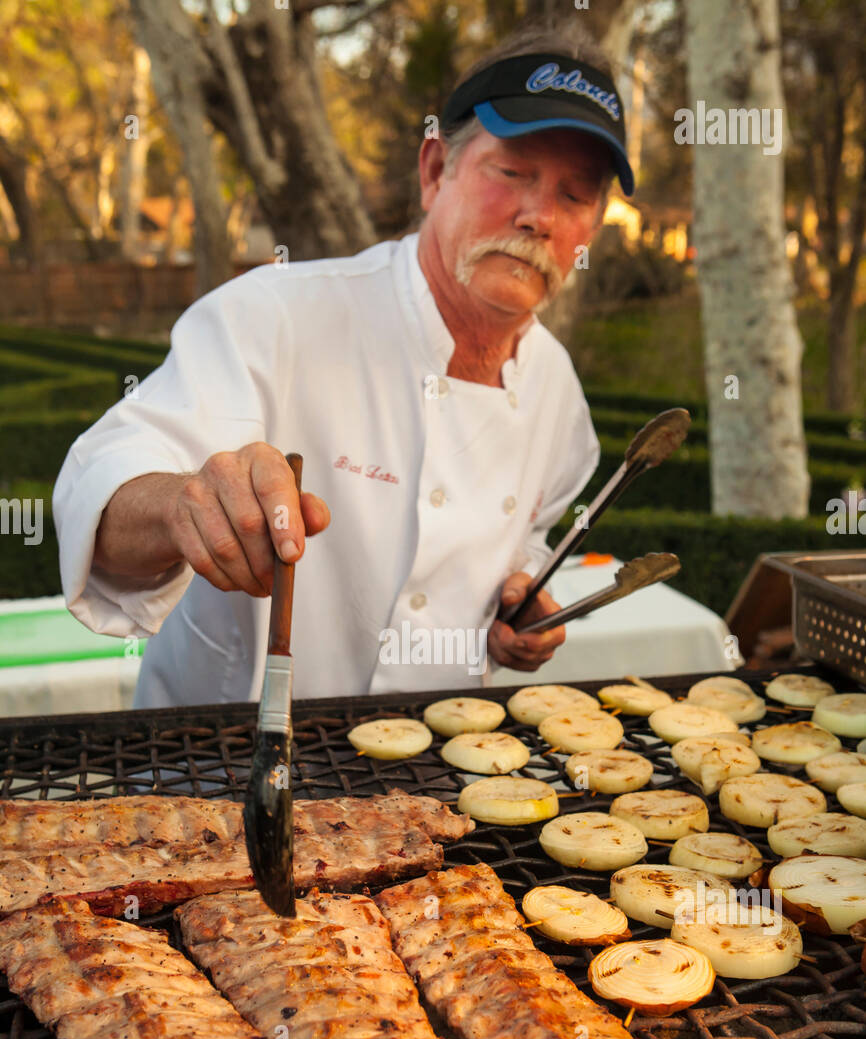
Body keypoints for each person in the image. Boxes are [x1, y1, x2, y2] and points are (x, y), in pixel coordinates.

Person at [53, 24, 635, 705]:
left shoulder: (558, 394)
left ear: (592, 227)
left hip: (435, 783)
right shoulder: (273, 315)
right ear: (434, 171)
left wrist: (518, 602)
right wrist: (185, 504)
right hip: (218, 776)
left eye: (576, 195)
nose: (540, 215)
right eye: (513, 172)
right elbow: (103, 482)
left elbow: (526, 539)